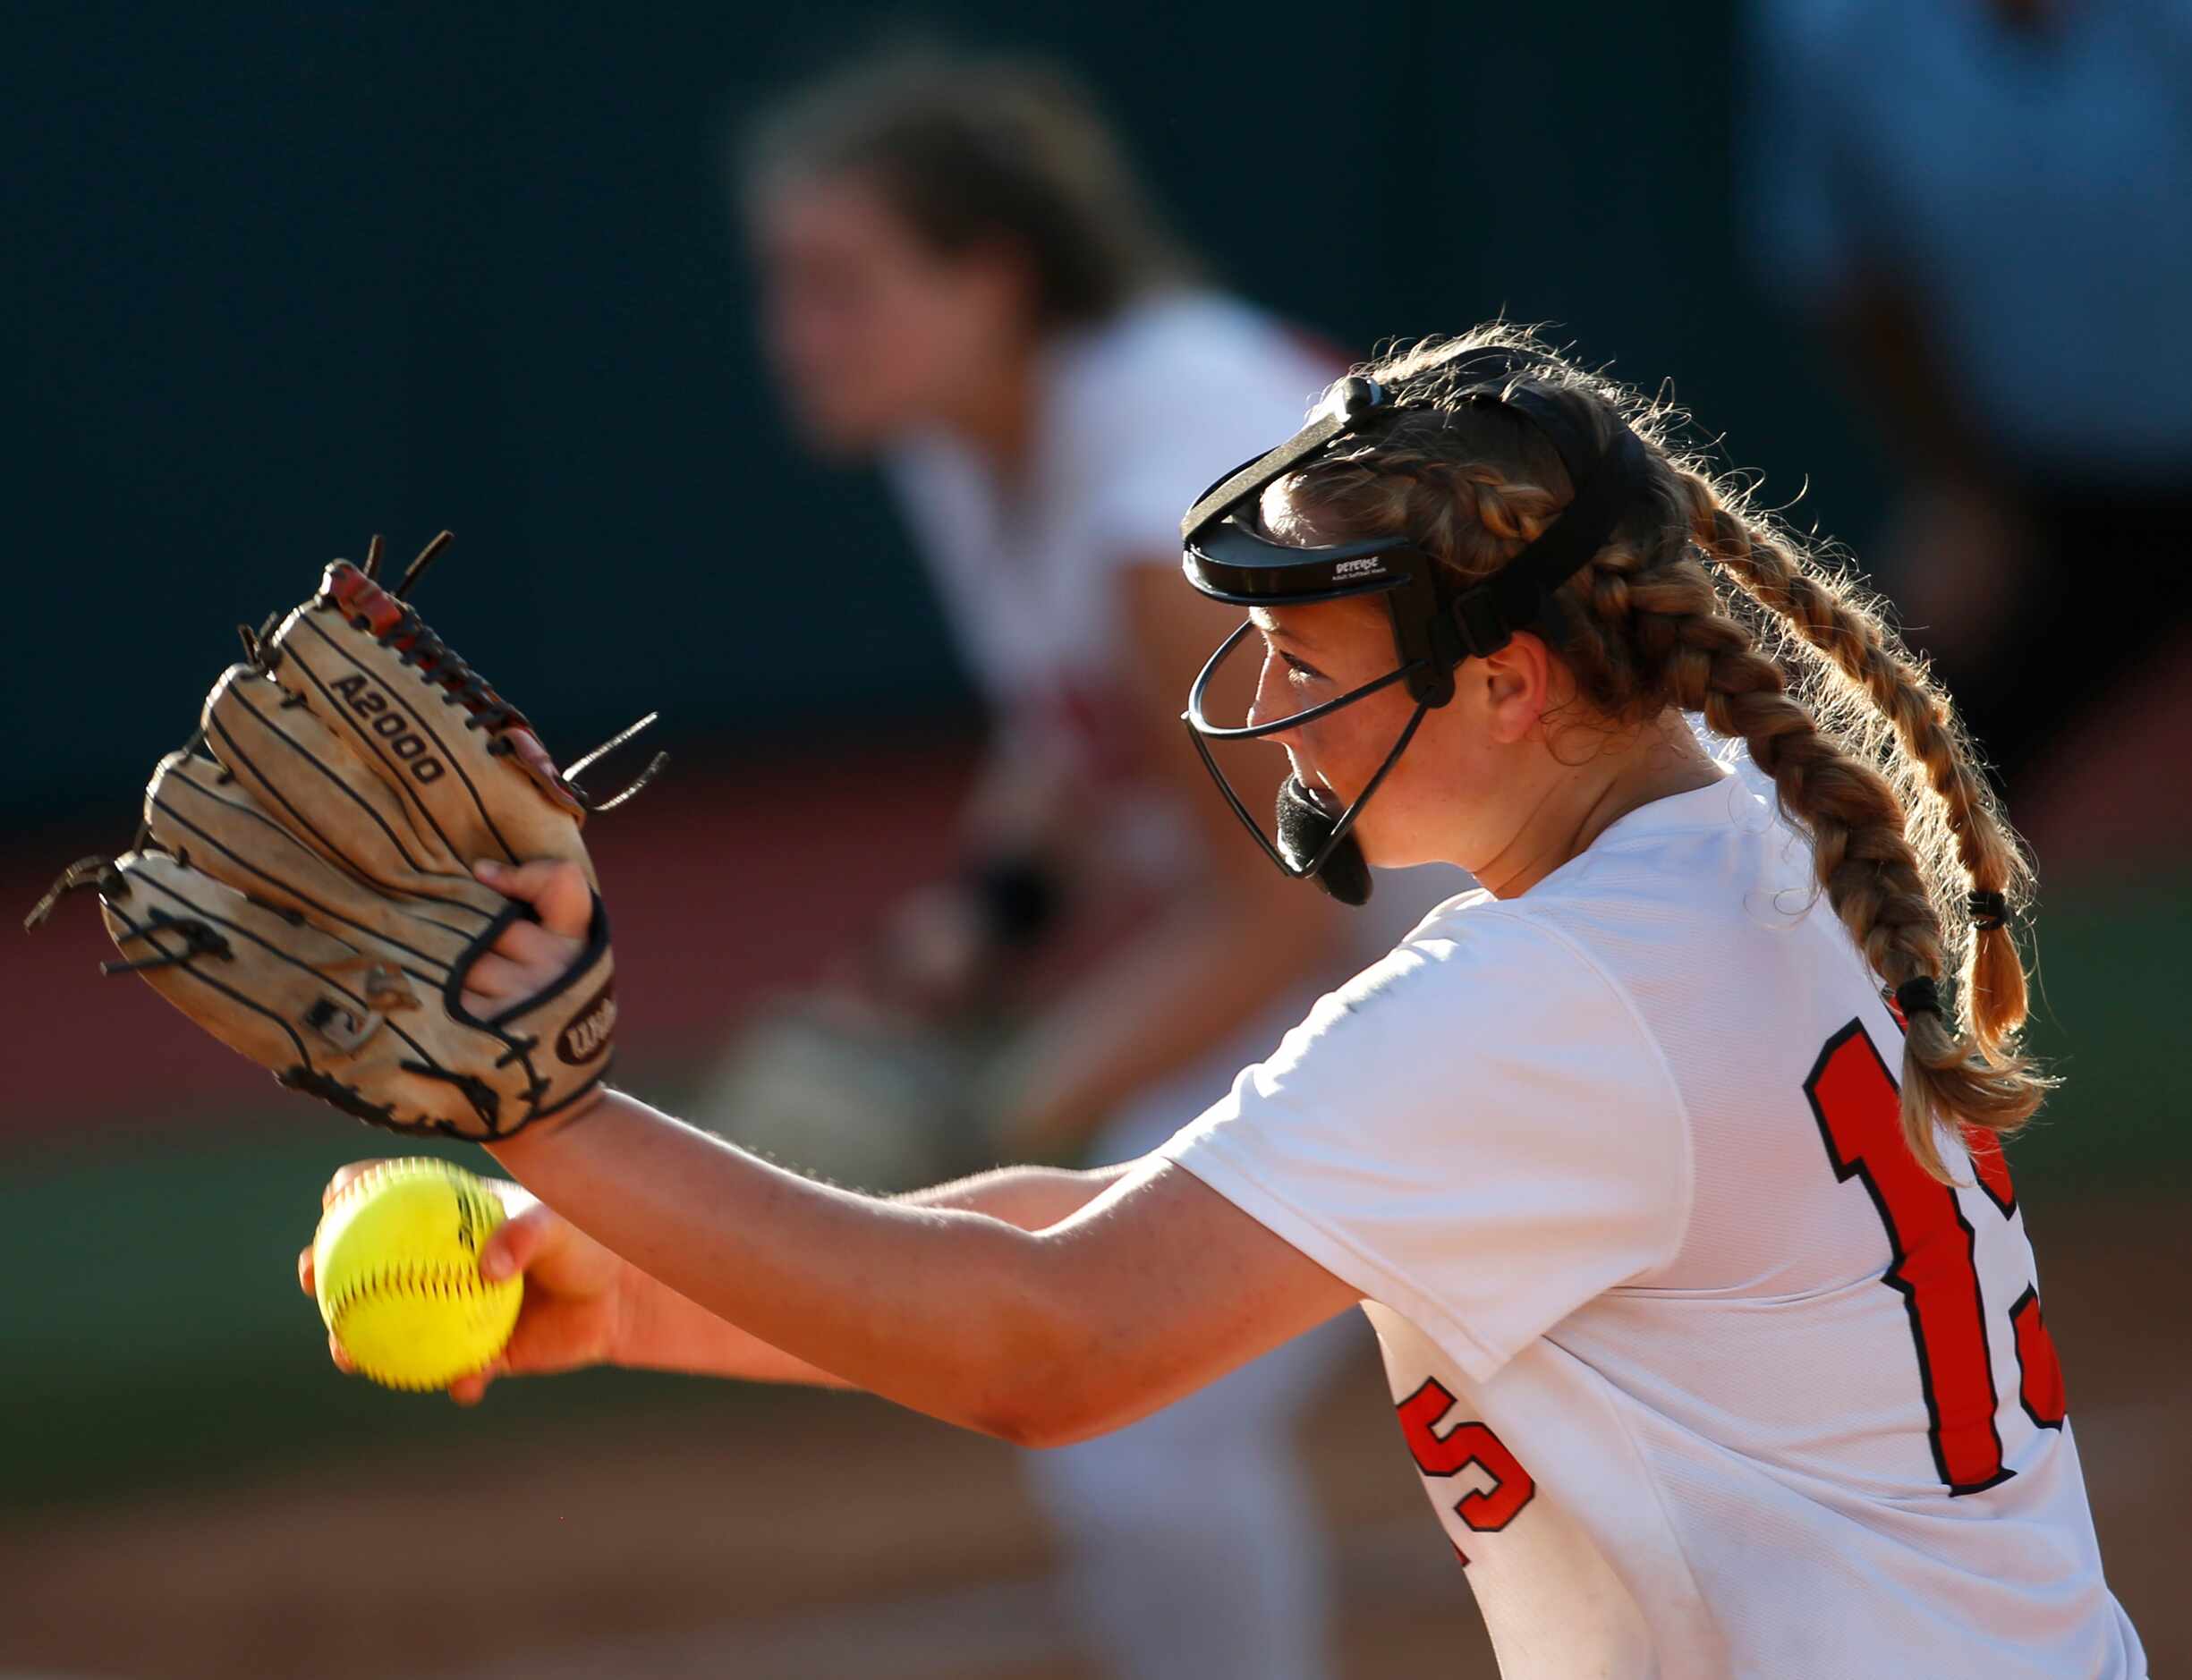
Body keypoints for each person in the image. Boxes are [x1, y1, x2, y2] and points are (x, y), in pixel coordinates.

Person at [300, 324, 2144, 1676]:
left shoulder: (1548, 998)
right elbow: (1115, 1242)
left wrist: (549, 1106)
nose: (1258, 693)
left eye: (1303, 649)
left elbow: (1060, 1342)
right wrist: (616, 1286)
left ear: (1507, 684)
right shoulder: (1743, 837)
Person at [709, 48, 1461, 1679]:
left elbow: (1277, 913)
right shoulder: (979, 437)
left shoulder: (1159, 499)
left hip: (1549, 938)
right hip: (1412, 940)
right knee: (1128, 1405)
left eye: (842, 285)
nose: (797, 333)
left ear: (996, 275)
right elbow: (1079, 725)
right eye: (785, 286)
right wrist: (986, 920)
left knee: (1146, 1401)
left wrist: (1002, 1113)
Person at [1745, 0, 2192, 837]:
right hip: (2028, 497)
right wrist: (1959, 491)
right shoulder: (1830, 32)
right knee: (1900, 797)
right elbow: (1850, 280)